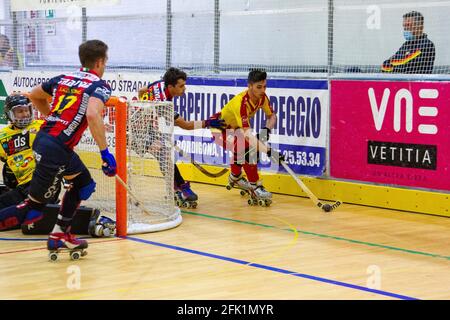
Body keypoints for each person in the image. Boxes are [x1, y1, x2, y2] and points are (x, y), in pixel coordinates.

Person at [0, 40, 116, 256]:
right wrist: (104, 152)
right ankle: (58, 234)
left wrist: (52, 119)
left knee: (83, 184)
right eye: (106, 61)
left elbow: (34, 95)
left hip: (50, 142)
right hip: (55, 149)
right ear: (100, 62)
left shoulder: (64, 78)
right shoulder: (99, 86)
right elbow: (92, 114)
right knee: (32, 210)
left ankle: (59, 235)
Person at [137, 67, 225, 207]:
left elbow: (141, 91)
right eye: (181, 86)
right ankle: (181, 186)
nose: (185, 88)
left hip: (146, 127)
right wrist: (207, 122)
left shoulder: (160, 83)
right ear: (171, 86)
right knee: (164, 154)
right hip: (136, 132)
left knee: (164, 155)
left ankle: (175, 187)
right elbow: (186, 125)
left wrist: (145, 107)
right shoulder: (163, 103)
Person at [207, 69, 284, 206]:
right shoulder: (241, 103)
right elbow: (248, 135)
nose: (262, 90)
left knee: (246, 148)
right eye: (258, 87)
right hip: (219, 129)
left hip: (235, 129)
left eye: (264, 86)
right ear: (249, 86)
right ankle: (254, 185)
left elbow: (272, 116)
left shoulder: (263, 98)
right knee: (246, 148)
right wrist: (270, 152)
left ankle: (236, 176)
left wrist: (266, 130)